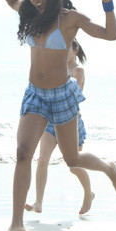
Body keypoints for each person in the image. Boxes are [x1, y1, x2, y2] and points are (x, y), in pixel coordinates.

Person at [0, 0, 116, 231]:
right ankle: (17, 223)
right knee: (22, 153)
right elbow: (12, 1)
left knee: (72, 160)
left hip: (63, 96)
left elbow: (110, 35)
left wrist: (107, 2)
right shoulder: (29, 12)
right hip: (35, 95)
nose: (37, 0)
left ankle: (108, 168)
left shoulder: (69, 18)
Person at [25, 38, 94, 215]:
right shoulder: (57, 68)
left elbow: (70, 92)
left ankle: (88, 193)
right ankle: (38, 202)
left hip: (71, 123)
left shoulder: (77, 70)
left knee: (74, 165)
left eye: (67, 50)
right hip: (50, 122)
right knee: (42, 159)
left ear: (75, 49)